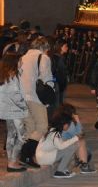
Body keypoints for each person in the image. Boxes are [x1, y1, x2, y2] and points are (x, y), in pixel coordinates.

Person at [19, 36, 55, 168]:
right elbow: (47, 78)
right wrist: (50, 98)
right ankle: (25, 154)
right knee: (42, 127)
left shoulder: (22, 58)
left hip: (21, 97)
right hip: (36, 97)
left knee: (30, 127)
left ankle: (28, 157)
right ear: (44, 47)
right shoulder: (43, 58)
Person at [0, 51, 29, 172]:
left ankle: (11, 161)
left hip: (6, 111)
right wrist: (25, 107)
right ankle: (12, 162)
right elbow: (17, 94)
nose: (22, 62)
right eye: (20, 60)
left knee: (11, 135)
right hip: (16, 111)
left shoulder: (3, 75)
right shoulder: (14, 76)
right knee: (22, 136)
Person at [35, 110, 80, 178]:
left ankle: (63, 169)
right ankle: (60, 171)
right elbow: (61, 146)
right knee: (71, 147)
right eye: (69, 124)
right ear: (64, 124)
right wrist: (76, 138)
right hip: (44, 157)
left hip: (43, 156)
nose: (69, 126)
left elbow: (60, 144)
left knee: (71, 146)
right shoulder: (54, 134)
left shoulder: (53, 130)